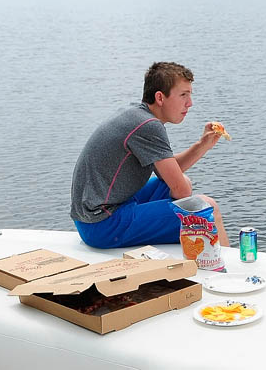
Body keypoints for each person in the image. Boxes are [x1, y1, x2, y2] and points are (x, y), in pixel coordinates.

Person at [71, 61, 229, 249]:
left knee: (175, 185)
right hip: (102, 225)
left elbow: (168, 175)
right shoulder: (148, 126)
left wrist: (202, 145)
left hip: (93, 217)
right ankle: (229, 271)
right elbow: (182, 190)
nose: (190, 103)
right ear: (160, 98)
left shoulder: (137, 115)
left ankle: (180, 237)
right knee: (207, 208)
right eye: (183, 95)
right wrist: (182, 187)